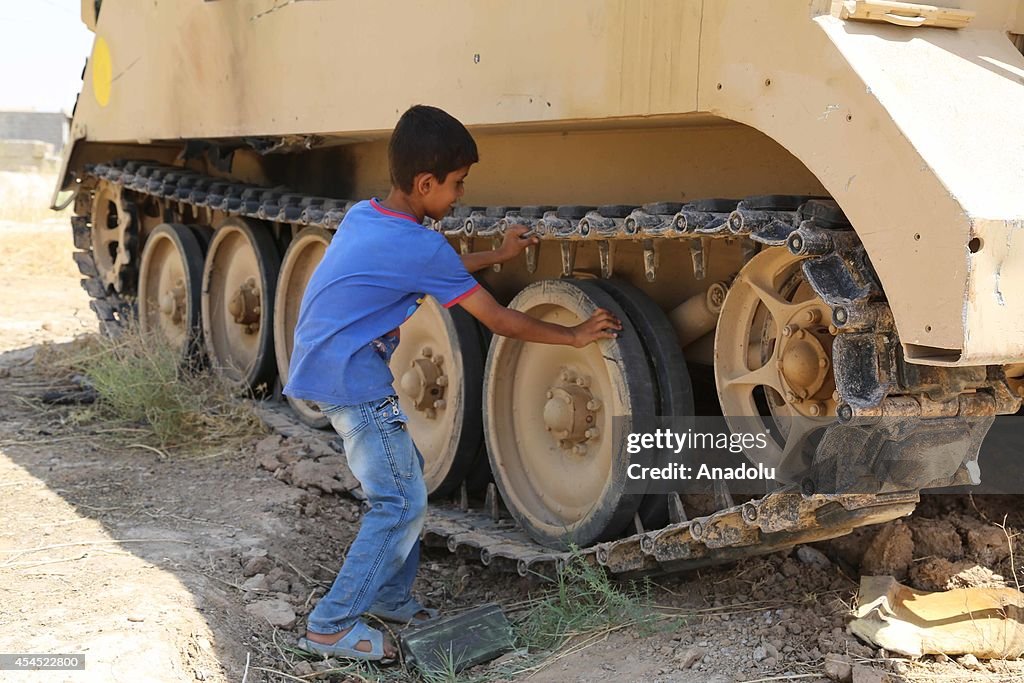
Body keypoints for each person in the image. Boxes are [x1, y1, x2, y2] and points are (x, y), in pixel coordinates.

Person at [284, 104, 621, 662]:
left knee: (408, 475)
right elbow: (499, 320)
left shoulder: (368, 215)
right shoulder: (423, 245)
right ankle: (329, 624)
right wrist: (576, 336)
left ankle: (390, 596)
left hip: (327, 363)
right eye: (457, 185)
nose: (461, 194)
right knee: (398, 502)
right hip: (352, 379)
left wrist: (501, 253)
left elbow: (430, 265)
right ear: (424, 183)